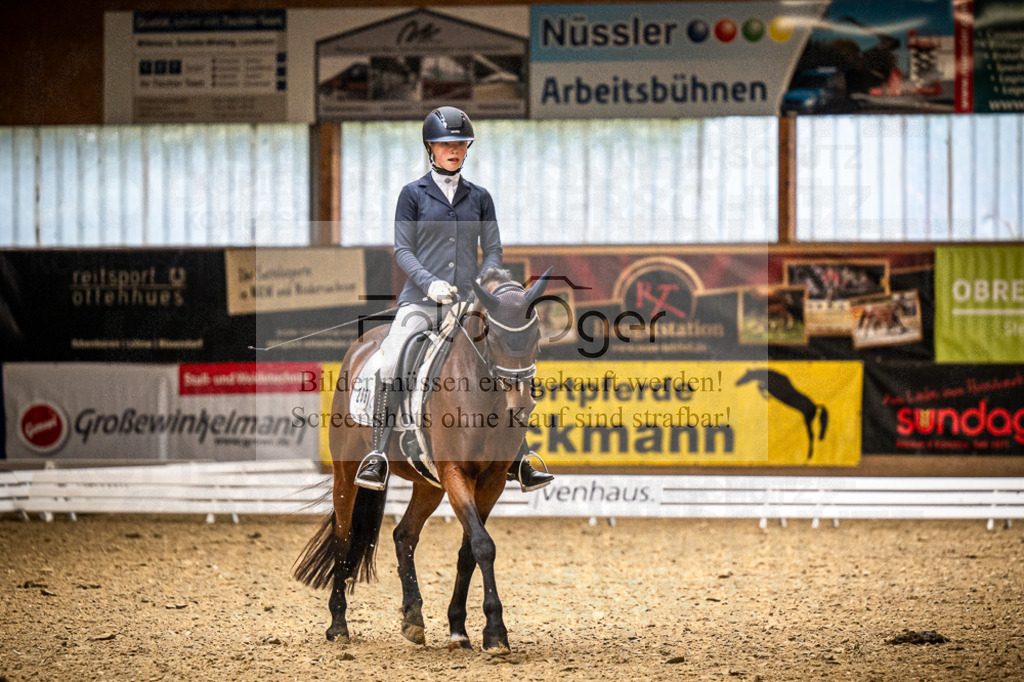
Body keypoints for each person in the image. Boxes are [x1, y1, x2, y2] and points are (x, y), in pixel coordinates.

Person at [354, 106, 554, 493]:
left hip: (468, 302)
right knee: (391, 360)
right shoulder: (412, 195)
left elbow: (493, 250)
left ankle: (520, 456)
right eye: (446, 144)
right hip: (422, 301)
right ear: (430, 147)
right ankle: (378, 454)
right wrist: (429, 284)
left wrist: (485, 280)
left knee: (504, 364)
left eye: (461, 144)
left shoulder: (480, 198)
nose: (454, 150)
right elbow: (403, 250)